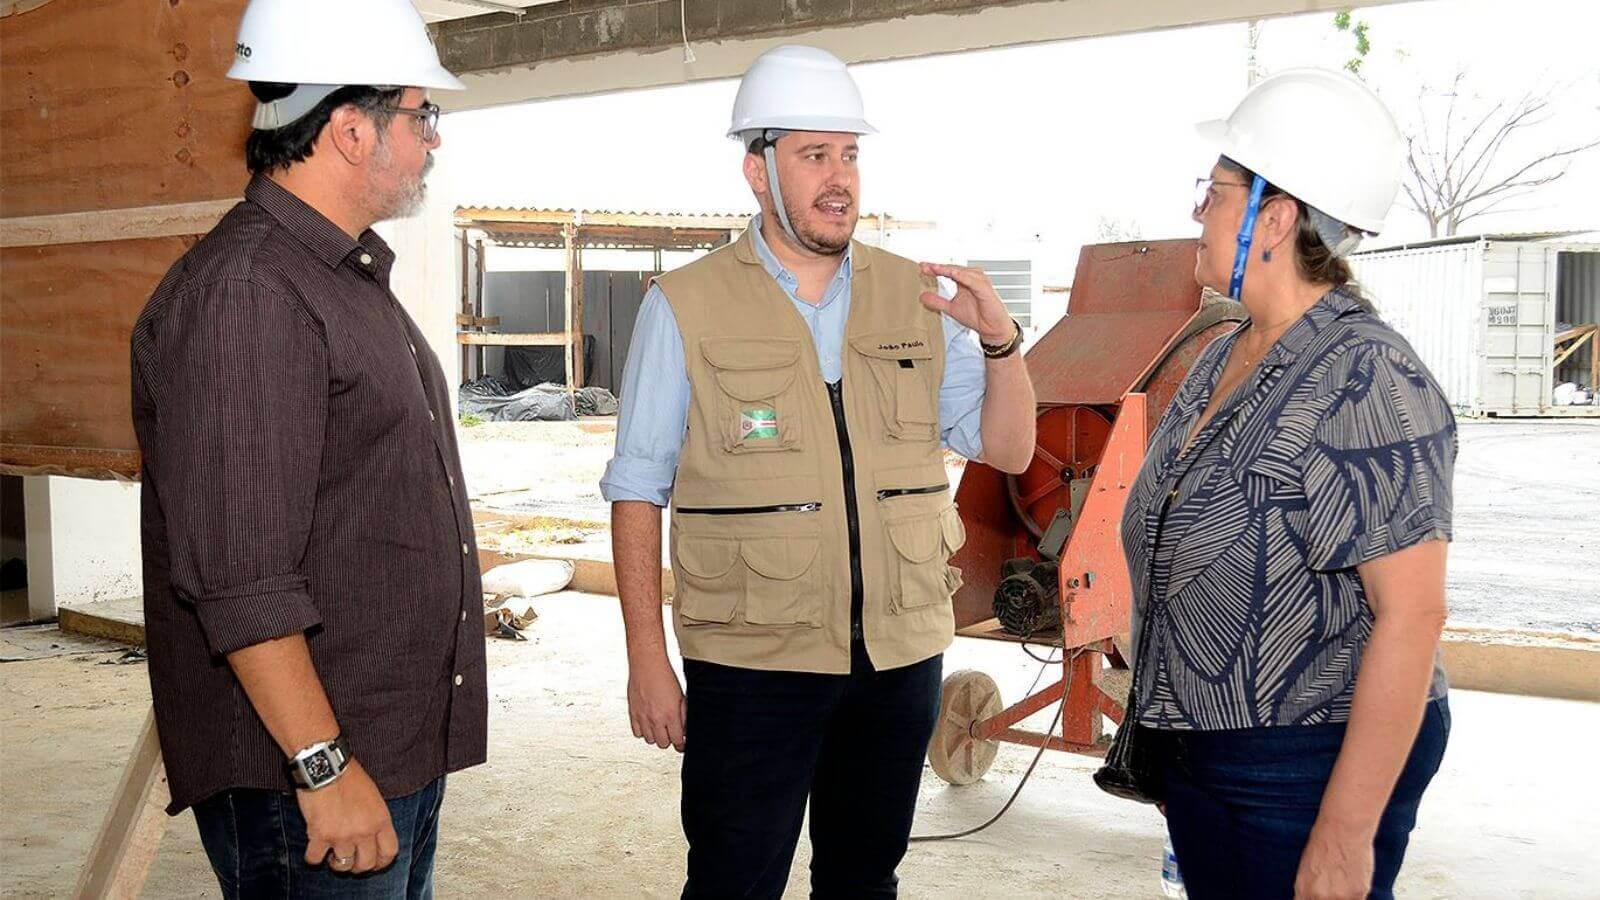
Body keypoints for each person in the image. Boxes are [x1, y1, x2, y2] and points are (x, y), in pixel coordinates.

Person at [600, 44, 1037, 899]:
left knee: (865, 880)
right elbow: (637, 487)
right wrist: (646, 659)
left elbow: (1011, 450)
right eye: (812, 155)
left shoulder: (916, 296)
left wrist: (1001, 343)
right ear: (758, 172)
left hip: (900, 657)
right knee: (733, 882)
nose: (839, 179)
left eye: (849, 154)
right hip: (752, 659)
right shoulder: (684, 304)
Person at [130, 0, 483, 895]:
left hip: (381, 749)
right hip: (306, 777)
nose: (434, 139)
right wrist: (324, 769)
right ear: (353, 131)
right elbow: (240, 578)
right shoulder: (250, 293)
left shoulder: (337, 275)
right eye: (422, 115)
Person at [1120, 68, 1455, 900]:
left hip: (1303, 760)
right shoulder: (1225, 354)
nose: (1198, 210)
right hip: (1207, 749)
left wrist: (1343, 836)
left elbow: (1412, 614)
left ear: (1274, 218)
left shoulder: (1366, 374)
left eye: (1216, 191)